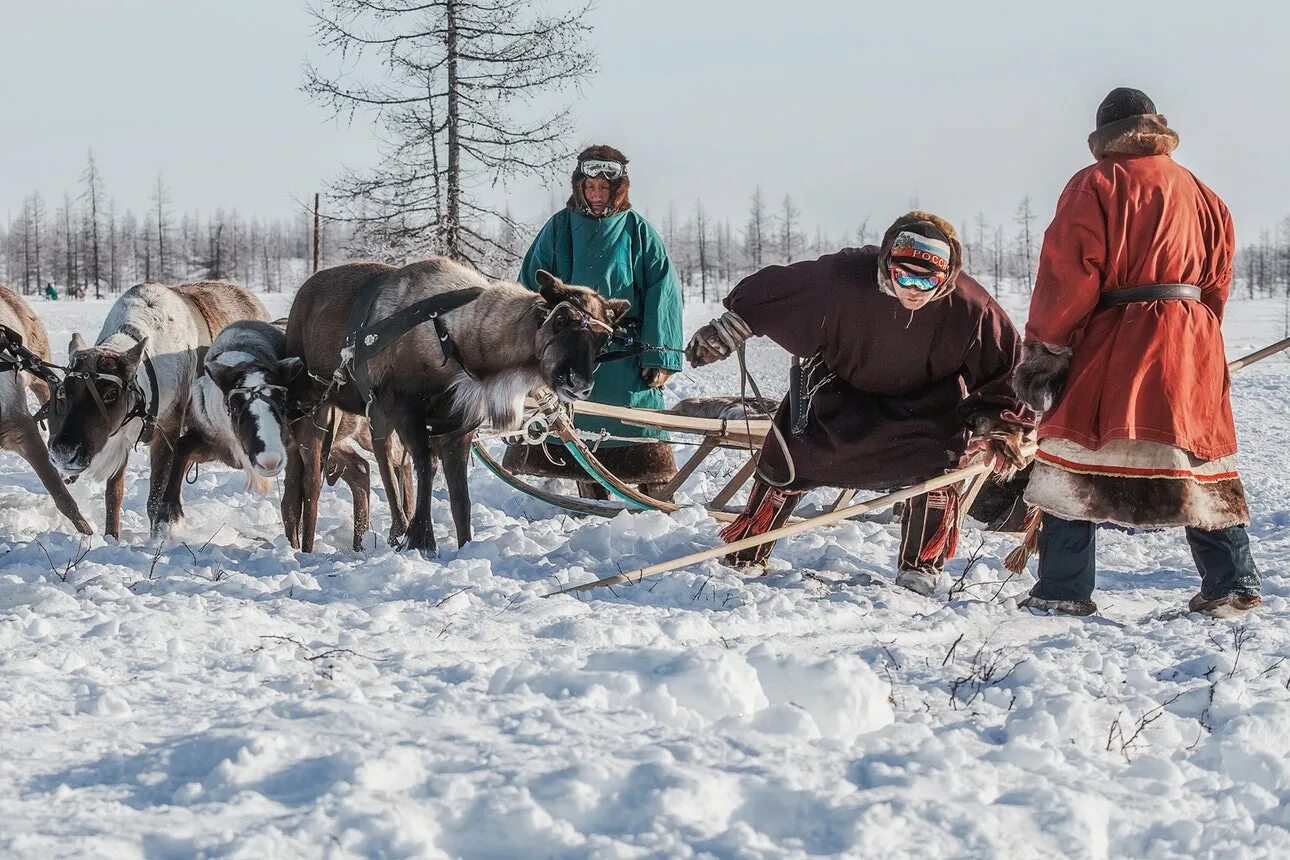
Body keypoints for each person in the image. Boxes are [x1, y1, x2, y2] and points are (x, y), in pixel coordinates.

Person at [686, 212, 1032, 595]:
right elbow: (777, 294)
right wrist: (729, 329)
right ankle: (747, 547)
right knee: (788, 454)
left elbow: (1007, 365)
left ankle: (921, 565)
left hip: (926, 407)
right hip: (840, 392)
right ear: (888, 264)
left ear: (946, 277)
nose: (915, 290)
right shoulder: (842, 276)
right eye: (906, 276)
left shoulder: (970, 305)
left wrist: (1003, 424)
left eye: (928, 280)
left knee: (942, 463)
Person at [1015, 87, 1260, 618]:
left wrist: (1046, 353)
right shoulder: (1203, 193)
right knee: (1198, 459)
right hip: (1192, 338)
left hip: (1118, 337)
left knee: (1072, 456)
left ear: (1102, 135)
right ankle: (1232, 583)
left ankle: (1062, 590)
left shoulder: (1095, 184)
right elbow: (1217, 283)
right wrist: (1198, 347)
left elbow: (1068, 278)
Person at [503, 145, 684, 499]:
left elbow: (663, 292)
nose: (597, 196)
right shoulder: (559, 227)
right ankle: (590, 493)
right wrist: (527, 349)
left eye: (604, 189)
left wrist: (660, 357)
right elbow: (530, 290)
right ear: (579, 187)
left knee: (639, 425)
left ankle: (656, 496)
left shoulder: (636, 230)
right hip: (571, 350)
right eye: (590, 188)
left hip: (624, 354)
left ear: (618, 189)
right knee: (576, 421)